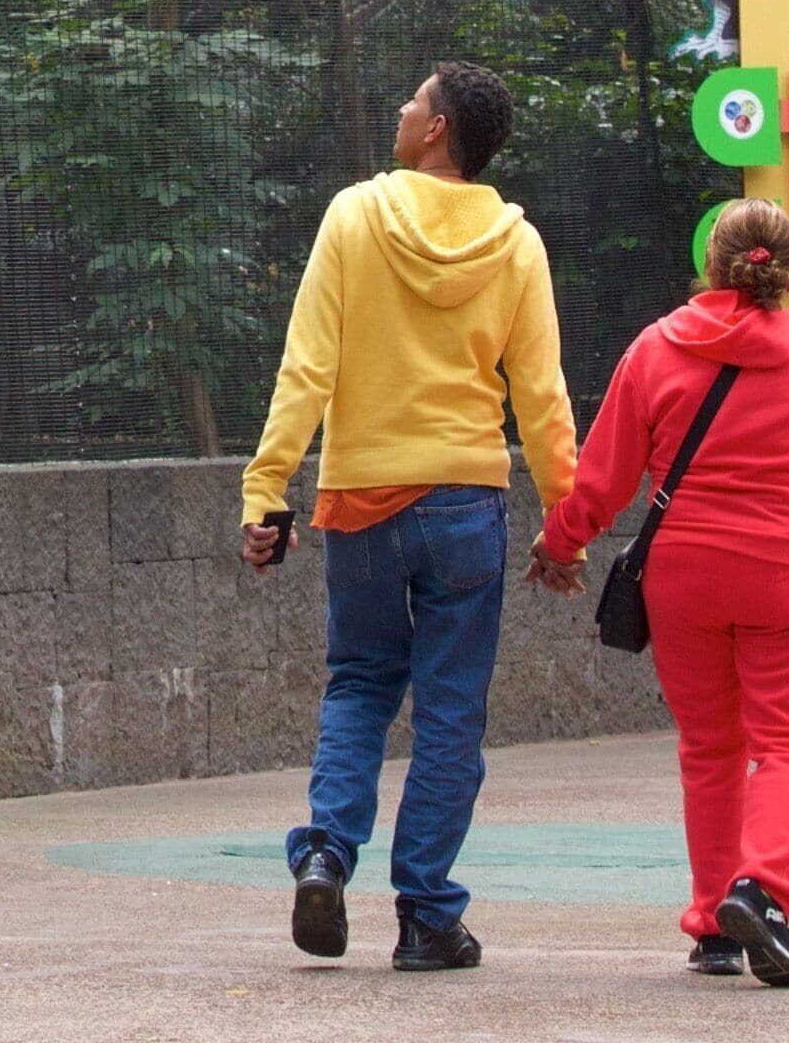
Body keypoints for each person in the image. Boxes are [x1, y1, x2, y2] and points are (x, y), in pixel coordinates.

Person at [525, 196, 789, 988]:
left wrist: (560, 542)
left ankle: (714, 923)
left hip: (685, 574)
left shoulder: (656, 349)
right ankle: (762, 890)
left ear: (712, 262)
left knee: (710, 749)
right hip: (788, 571)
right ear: (780, 269)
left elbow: (604, 480)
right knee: (788, 744)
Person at [239, 62, 578, 974]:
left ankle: (324, 851)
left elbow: (305, 367)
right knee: (451, 716)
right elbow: (540, 396)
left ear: (436, 130)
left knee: (358, 684)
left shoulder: (354, 216)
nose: (401, 106)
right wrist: (567, 521)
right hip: (467, 504)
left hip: (363, 498)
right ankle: (427, 916)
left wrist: (265, 490)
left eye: (415, 99)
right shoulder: (517, 244)